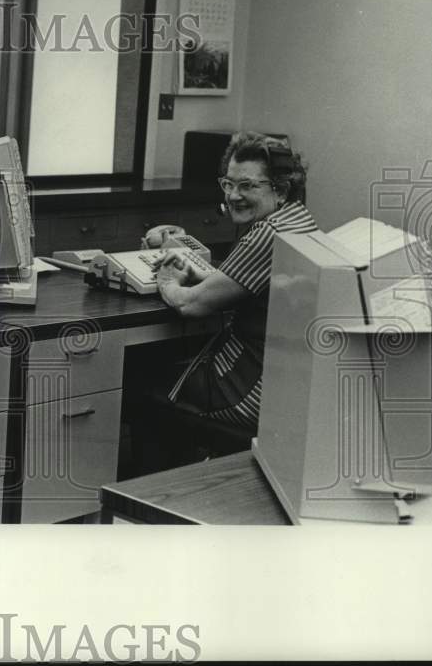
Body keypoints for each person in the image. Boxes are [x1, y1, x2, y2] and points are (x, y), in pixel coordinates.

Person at [129, 132, 318, 472]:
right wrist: (192, 267)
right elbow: (240, 284)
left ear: (280, 188)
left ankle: (153, 499)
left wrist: (167, 279)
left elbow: (190, 306)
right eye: (228, 184)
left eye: (247, 186)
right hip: (282, 386)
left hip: (247, 391)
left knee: (139, 382)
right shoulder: (299, 220)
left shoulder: (268, 233)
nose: (233, 196)